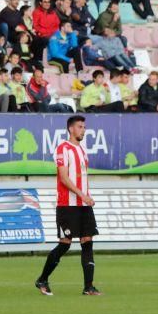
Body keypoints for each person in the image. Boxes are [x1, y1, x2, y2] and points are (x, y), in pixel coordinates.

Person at [35, 115, 101, 296]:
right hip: (67, 205)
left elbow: (82, 178)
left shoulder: (82, 150)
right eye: (80, 127)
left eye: (84, 127)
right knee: (65, 244)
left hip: (83, 204)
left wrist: (87, 196)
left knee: (87, 241)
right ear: (71, 129)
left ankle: (89, 287)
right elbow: (64, 178)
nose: (83, 130)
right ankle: (42, 279)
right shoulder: (63, 149)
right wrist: (82, 195)